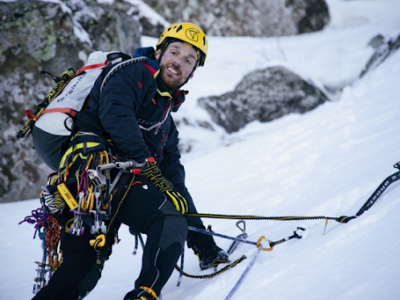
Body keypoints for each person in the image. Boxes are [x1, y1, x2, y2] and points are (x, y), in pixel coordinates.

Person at [32, 22, 229, 300]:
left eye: (188, 60)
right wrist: (148, 164)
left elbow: (174, 184)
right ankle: (145, 293)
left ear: (191, 74)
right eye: (174, 52)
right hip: (92, 177)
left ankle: (145, 292)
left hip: (99, 187)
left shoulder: (165, 123)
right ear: (158, 51)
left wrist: (205, 245)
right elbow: (116, 115)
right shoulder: (134, 72)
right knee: (160, 225)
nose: (178, 63)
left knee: (85, 264)